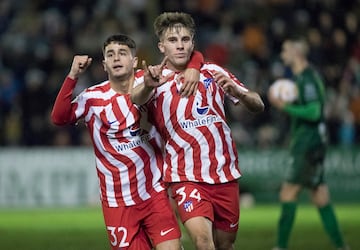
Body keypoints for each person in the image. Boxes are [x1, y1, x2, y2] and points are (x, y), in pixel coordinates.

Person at [51, 34, 203, 250]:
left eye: (122, 53)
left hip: (154, 194)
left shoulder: (153, 80)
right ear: (104, 65)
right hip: (117, 202)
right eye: (110, 55)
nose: (116, 58)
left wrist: (195, 66)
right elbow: (58, 118)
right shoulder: (92, 98)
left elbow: (189, 55)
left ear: (133, 60)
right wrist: (73, 74)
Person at [131, 12, 265, 250]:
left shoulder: (212, 70)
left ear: (193, 43)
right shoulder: (153, 79)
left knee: (225, 244)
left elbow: (258, 104)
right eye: (173, 40)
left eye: (185, 39)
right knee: (204, 242)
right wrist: (147, 87)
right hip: (185, 176)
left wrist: (239, 93)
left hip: (224, 173)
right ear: (162, 46)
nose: (180, 45)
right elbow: (135, 97)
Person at [268, 38, 349, 250]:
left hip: (308, 142)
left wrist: (284, 106)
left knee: (288, 192)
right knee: (320, 195)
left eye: (286, 50)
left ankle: (280, 246)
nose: (283, 54)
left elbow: (314, 112)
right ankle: (341, 246)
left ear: (296, 52)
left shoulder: (307, 79)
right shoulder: (303, 78)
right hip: (313, 140)